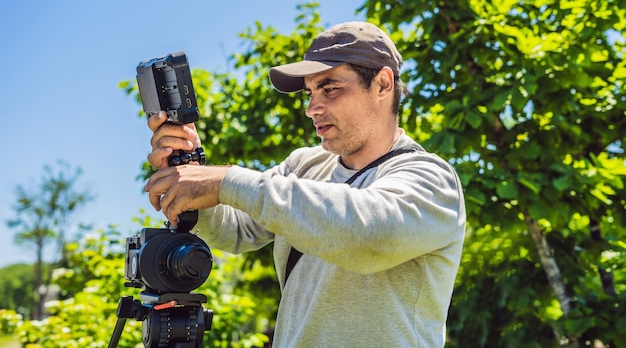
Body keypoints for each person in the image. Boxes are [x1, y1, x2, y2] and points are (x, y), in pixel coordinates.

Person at [144, 21, 466, 348]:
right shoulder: (304, 166)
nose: (312, 109)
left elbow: (369, 235)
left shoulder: (430, 178)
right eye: (310, 93)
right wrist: (192, 172)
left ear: (383, 84)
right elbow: (236, 231)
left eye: (330, 89)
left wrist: (226, 180)